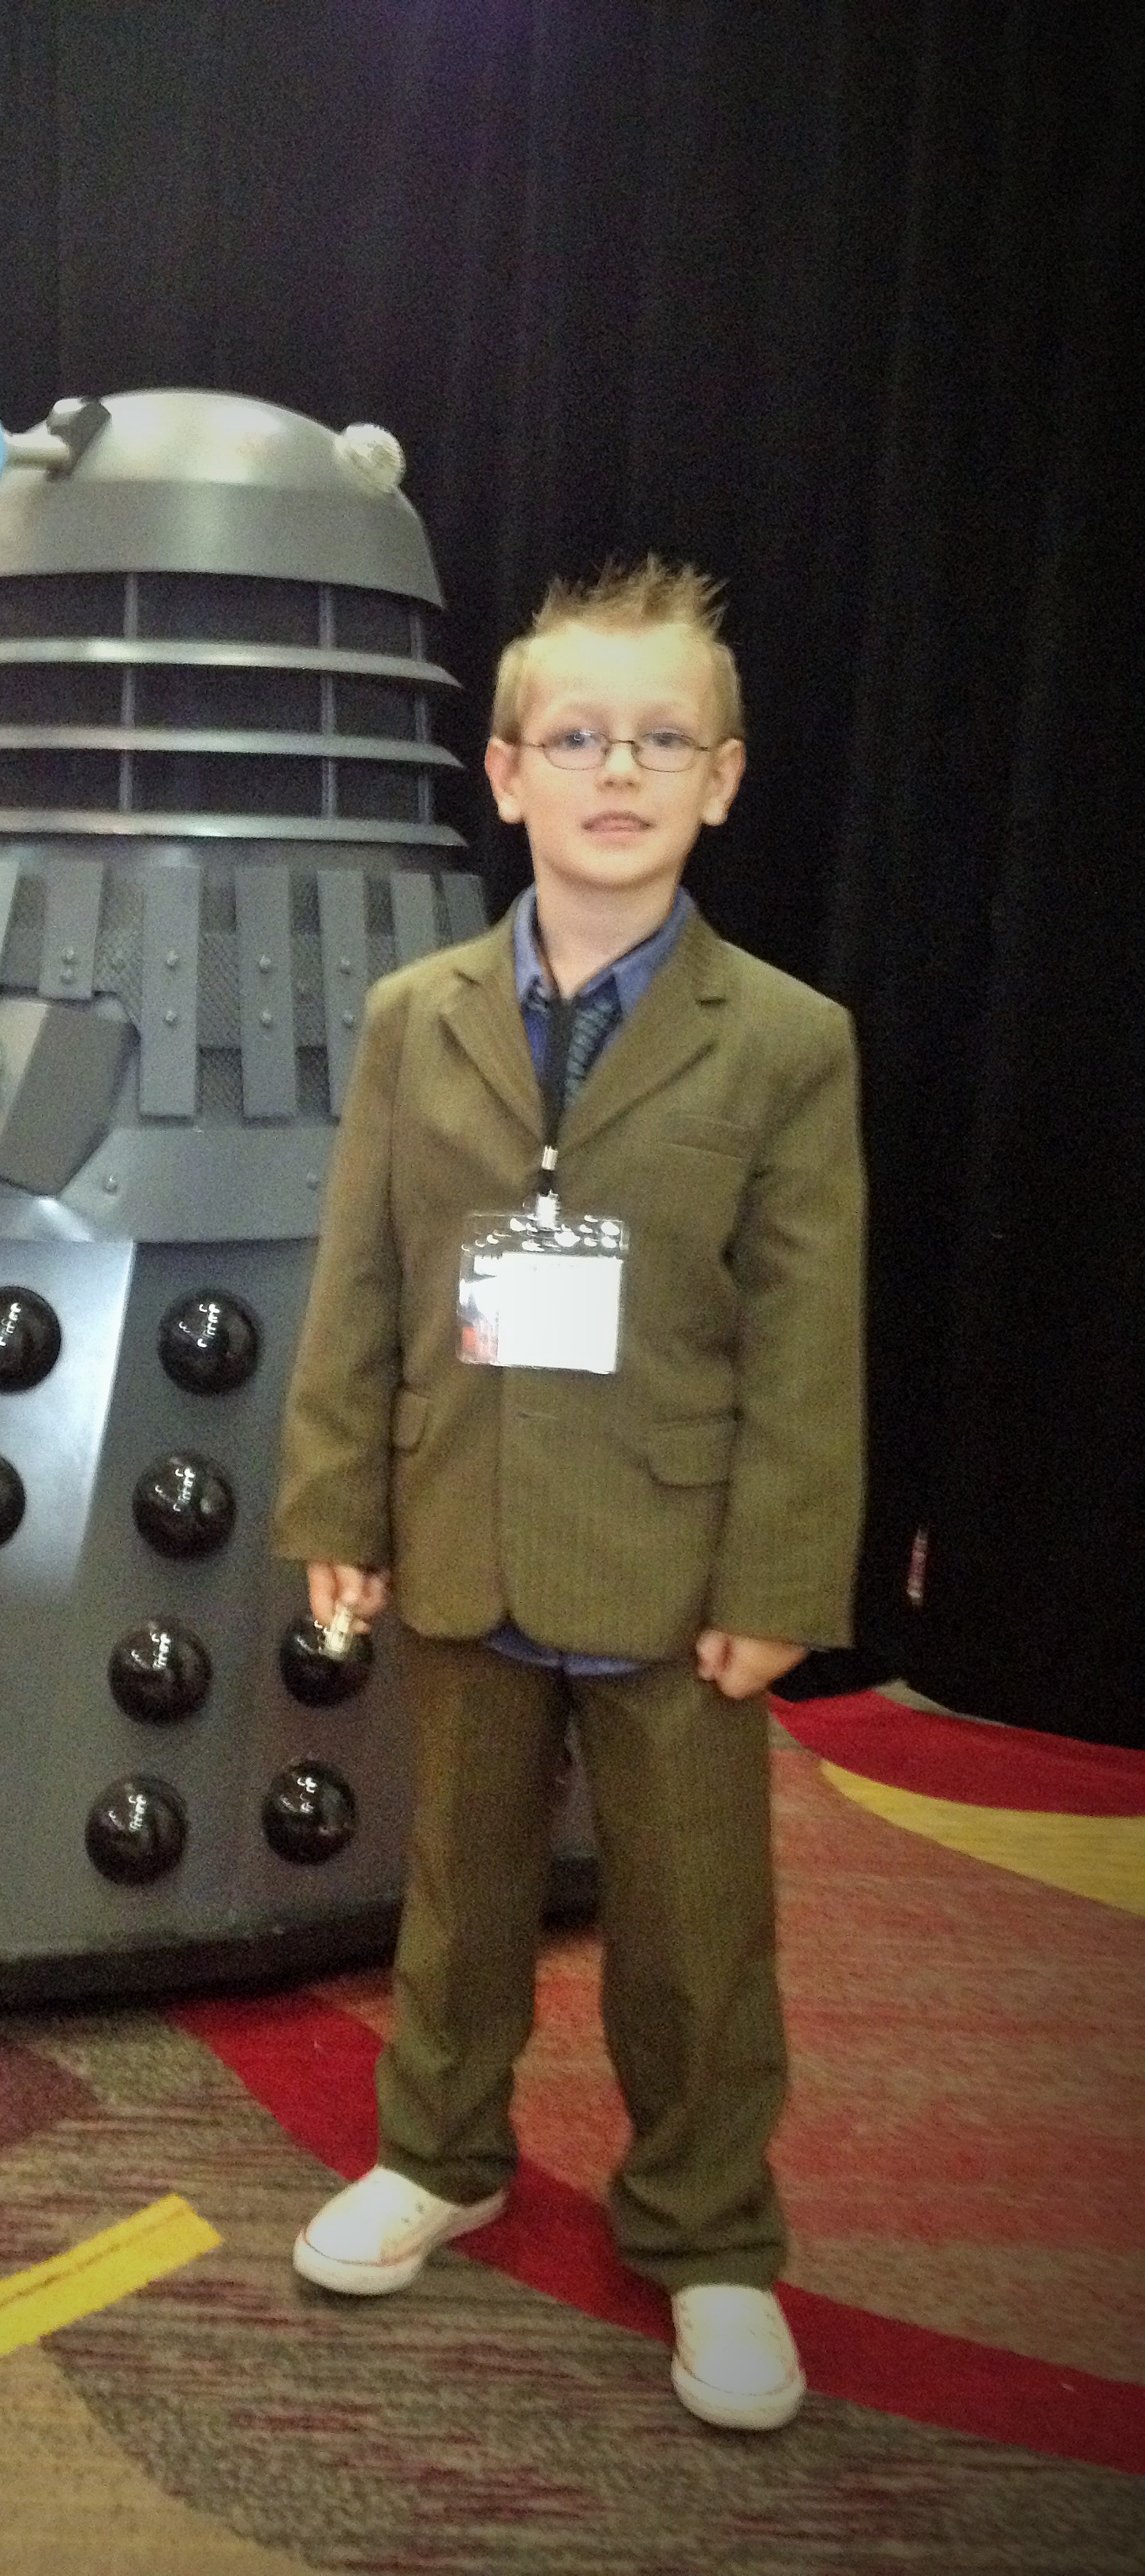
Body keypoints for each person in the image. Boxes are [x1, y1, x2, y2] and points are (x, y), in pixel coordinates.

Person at [271, 557, 864, 2432]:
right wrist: (337, 1511)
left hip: (676, 1566)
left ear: (724, 780)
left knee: (695, 1928)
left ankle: (709, 2231)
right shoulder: (413, 1015)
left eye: (662, 741)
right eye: (580, 737)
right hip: (462, 1529)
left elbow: (807, 1341)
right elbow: (362, 1278)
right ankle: (438, 2156)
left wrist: (779, 1577)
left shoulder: (787, 1041)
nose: (620, 769)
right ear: (508, 772)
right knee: (458, 1888)